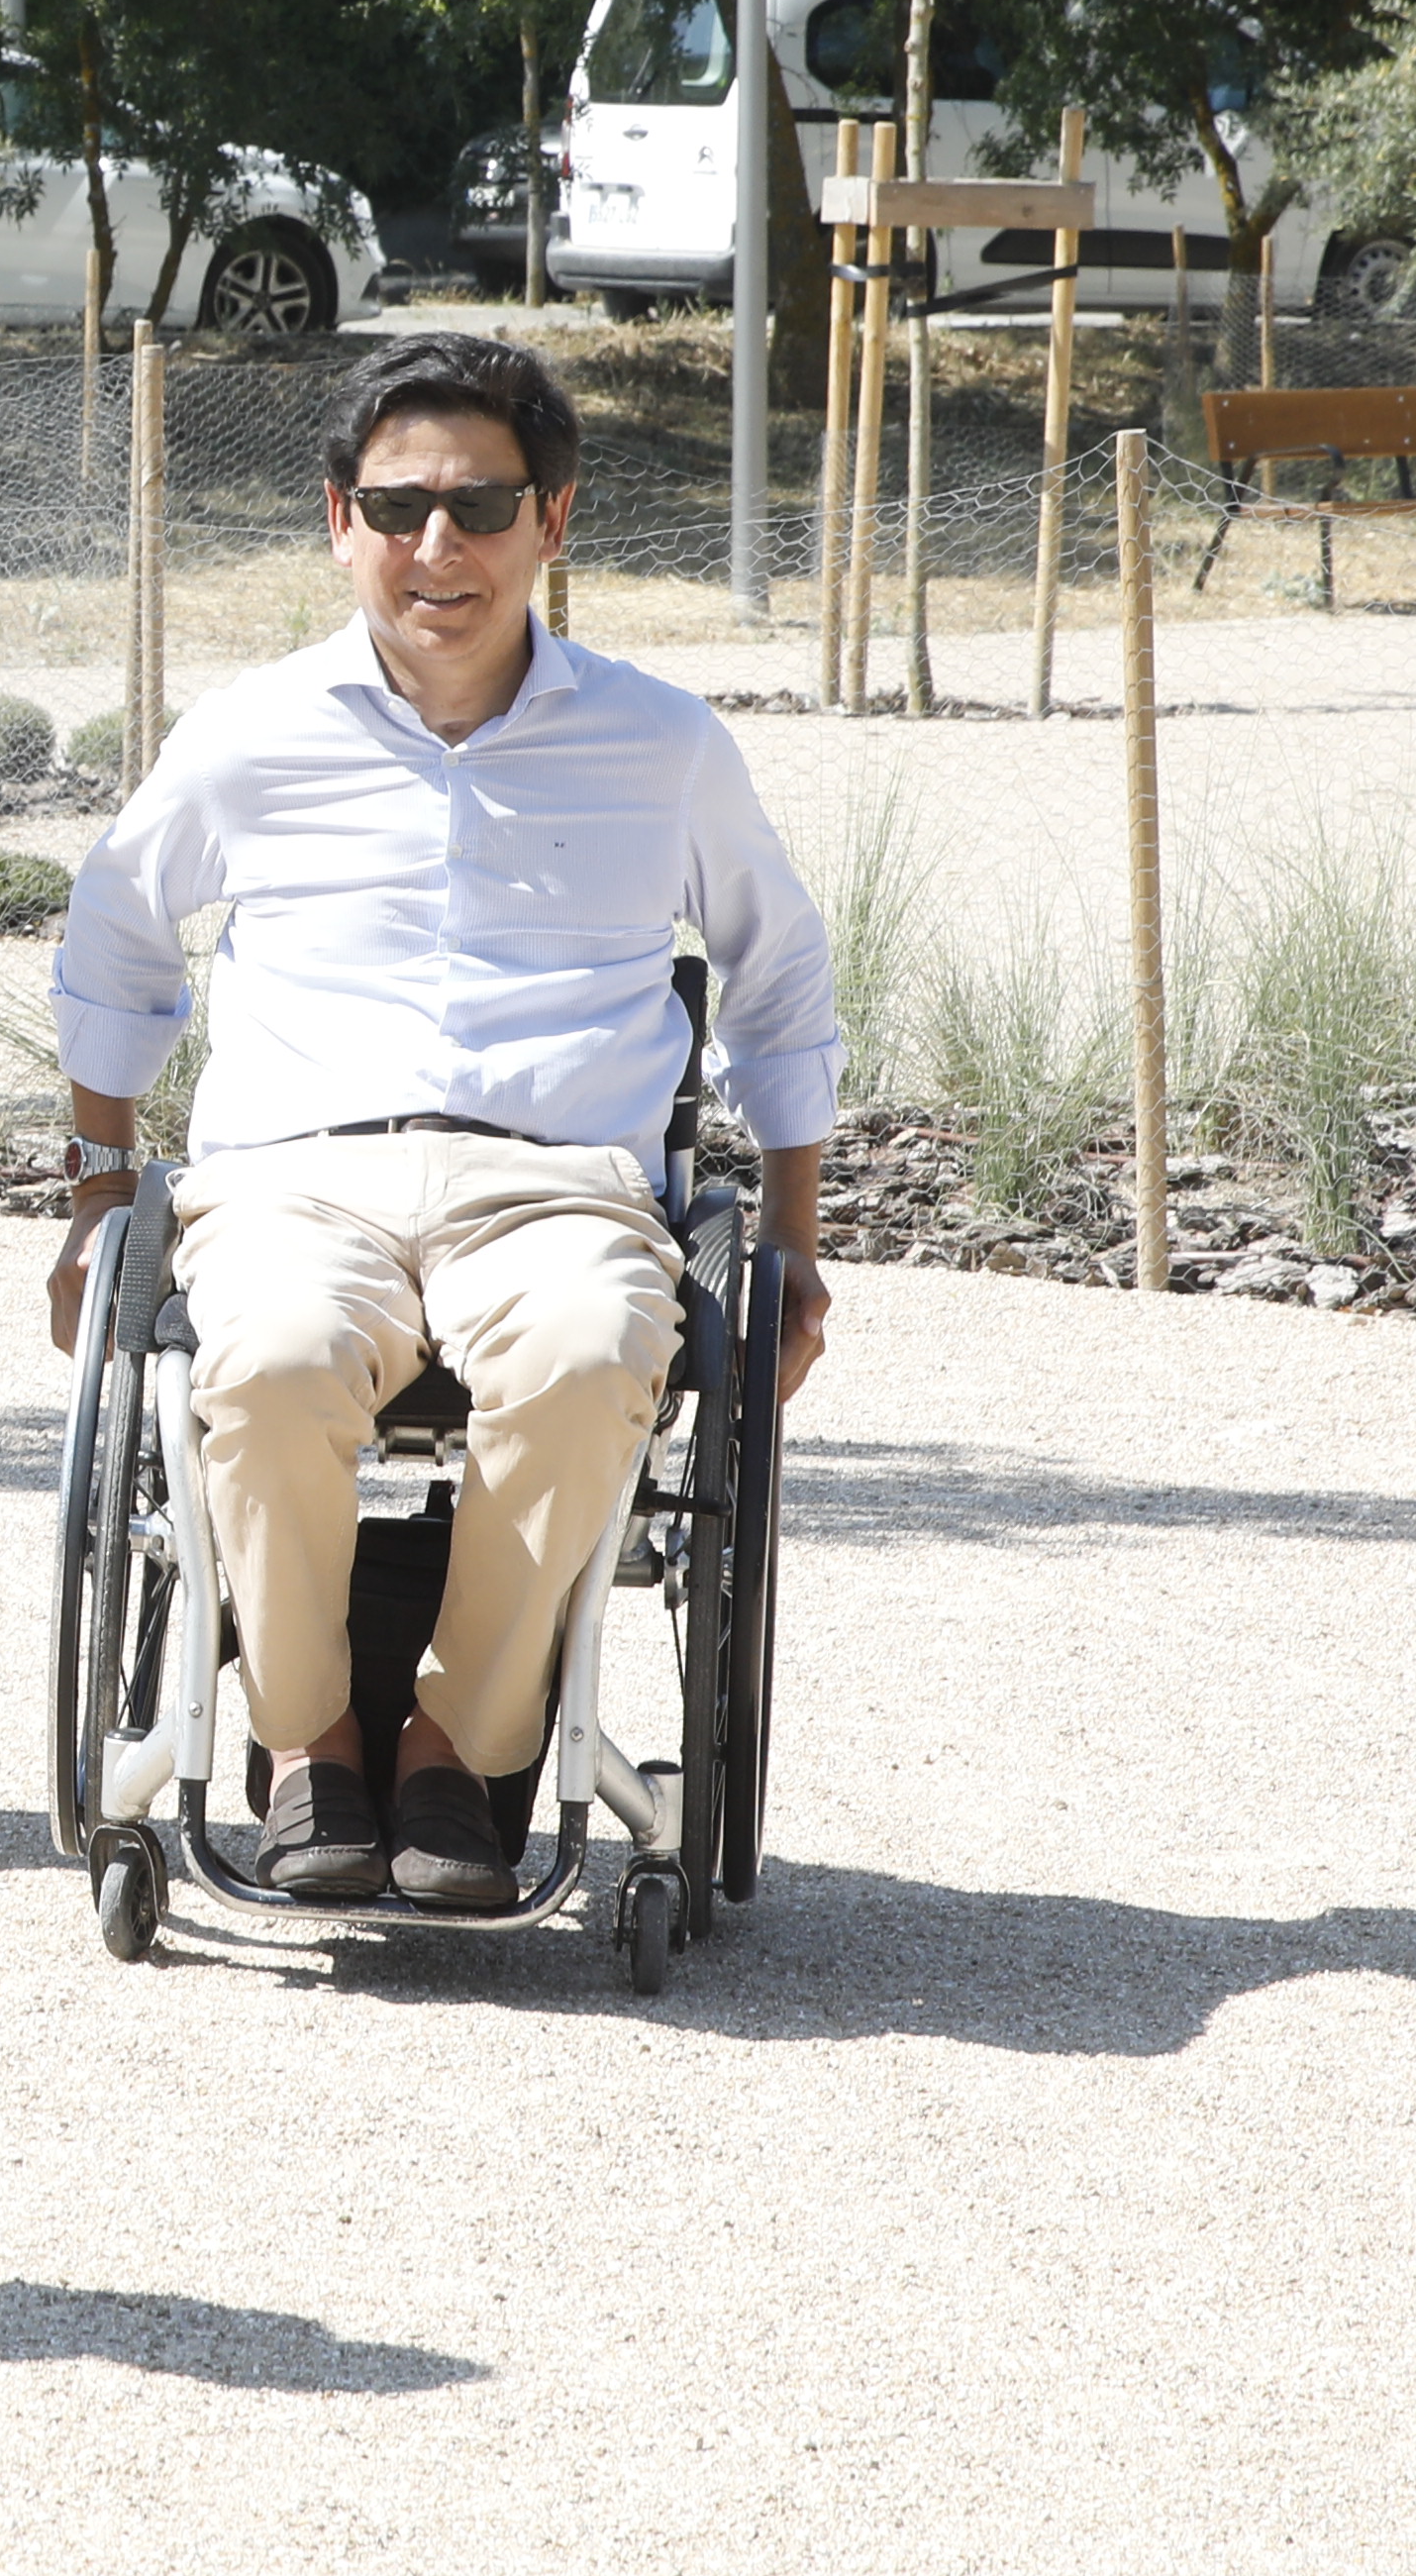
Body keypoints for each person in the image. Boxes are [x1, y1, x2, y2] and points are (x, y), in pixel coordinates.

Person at [46, 331, 839, 1908]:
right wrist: (94, 1196)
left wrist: (798, 1244)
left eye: (481, 506)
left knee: (599, 1352)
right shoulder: (249, 735)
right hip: (296, 1187)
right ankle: (307, 1741)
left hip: (560, 1191)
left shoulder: (662, 745)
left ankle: (456, 1752)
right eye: (400, 507)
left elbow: (779, 978)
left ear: (552, 520)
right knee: (266, 1360)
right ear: (339, 520)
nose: (439, 546)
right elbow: (116, 938)